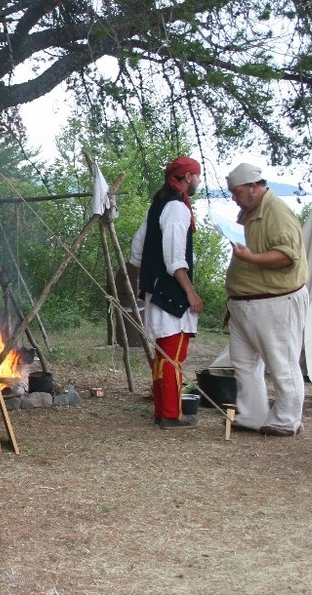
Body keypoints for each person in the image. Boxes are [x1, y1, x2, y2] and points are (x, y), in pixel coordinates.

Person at [225, 163, 308, 436]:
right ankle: (252, 414)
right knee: (243, 362)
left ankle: (287, 419)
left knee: (281, 361)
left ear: (254, 187)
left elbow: (287, 256)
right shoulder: (251, 212)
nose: (234, 198)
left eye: (237, 192)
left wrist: (251, 258)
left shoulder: (278, 213)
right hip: (244, 302)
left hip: (275, 301)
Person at [130, 156, 204, 429]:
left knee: (165, 354)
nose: (198, 180)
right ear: (187, 178)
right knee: (172, 355)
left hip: (157, 291)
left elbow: (136, 253)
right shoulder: (176, 208)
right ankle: (171, 414)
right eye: (197, 175)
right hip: (170, 294)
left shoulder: (158, 207)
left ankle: (164, 410)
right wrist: (191, 292)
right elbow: (175, 259)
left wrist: (151, 279)